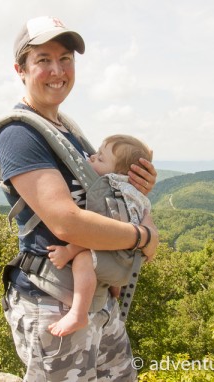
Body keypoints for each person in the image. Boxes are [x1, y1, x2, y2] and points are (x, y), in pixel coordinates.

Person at [0, 16, 159, 381]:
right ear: (20, 69)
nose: (57, 70)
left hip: (97, 299)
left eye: (65, 58)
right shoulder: (18, 135)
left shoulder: (71, 133)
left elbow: (102, 198)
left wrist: (134, 189)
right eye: (44, 60)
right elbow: (65, 221)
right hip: (52, 303)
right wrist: (143, 237)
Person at [46, 134, 152, 337]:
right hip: (130, 259)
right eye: (96, 154)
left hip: (121, 259)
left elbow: (95, 234)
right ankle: (114, 287)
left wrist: (69, 251)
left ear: (119, 173)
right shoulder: (132, 192)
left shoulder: (109, 193)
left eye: (101, 159)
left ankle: (78, 314)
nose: (93, 157)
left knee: (83, 260)